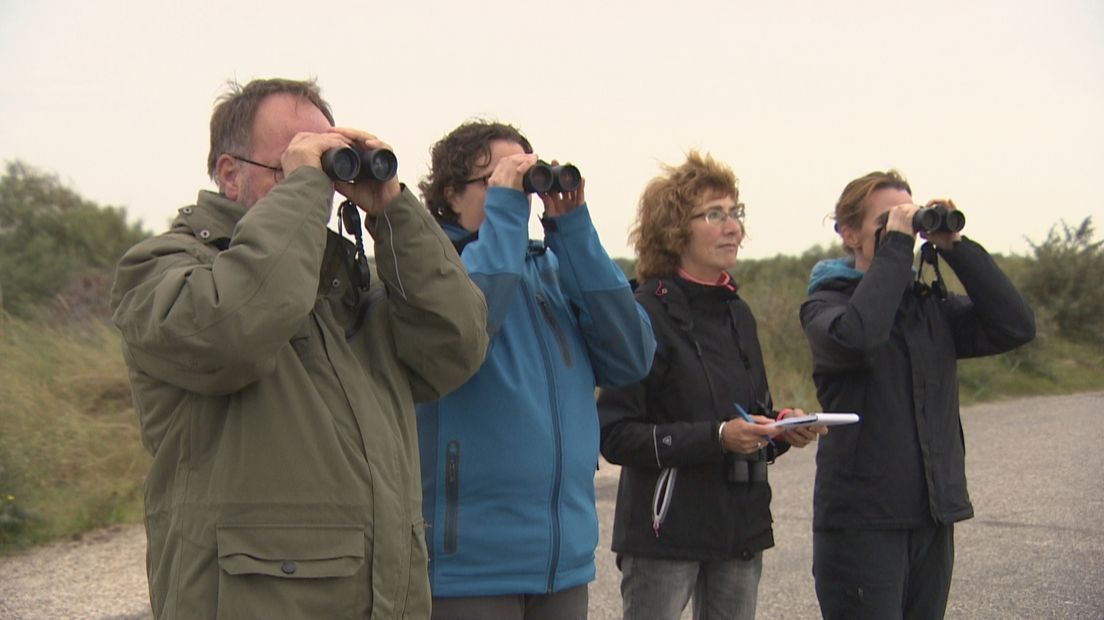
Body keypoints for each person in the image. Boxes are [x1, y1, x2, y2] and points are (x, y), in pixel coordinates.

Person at [109, 78, 489, 619]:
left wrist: (394, 212)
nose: (320, 183)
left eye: (326, 165)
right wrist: (306, 189)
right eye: (292, 164)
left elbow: (458, 346)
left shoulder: (350, 290)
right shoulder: (162, 271)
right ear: (228, 173)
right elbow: (234, 327)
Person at [415, 120, 657, 619]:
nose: (519, 193)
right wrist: (503, 214)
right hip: (469, 568)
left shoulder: (548, 270)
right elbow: (468, 326)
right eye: (499, 179)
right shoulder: (432, 269)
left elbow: (631, 356)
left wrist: (574, 230)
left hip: (560, 563)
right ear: (450, 194)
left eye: (527, 177)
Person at [596, 151, 825, 620]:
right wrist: (718, 437)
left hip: (739, 526)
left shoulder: (736, 311)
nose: (733, 227)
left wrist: (778, 429)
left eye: (736, 212)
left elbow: (750, 414)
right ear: (675, 229)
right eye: (715, 214)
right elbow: (615, 434)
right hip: (665, 535)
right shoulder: (644, 313)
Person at [800, 170, 1036, 619]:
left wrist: (955, 246)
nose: (902, 233)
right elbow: (862, 336)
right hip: (862, 524)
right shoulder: (826, 307)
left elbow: (1015, 325)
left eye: (909, 219)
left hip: (931, 513)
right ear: (848, 233)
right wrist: (895, 244)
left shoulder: (928, 308)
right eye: (888, 221)